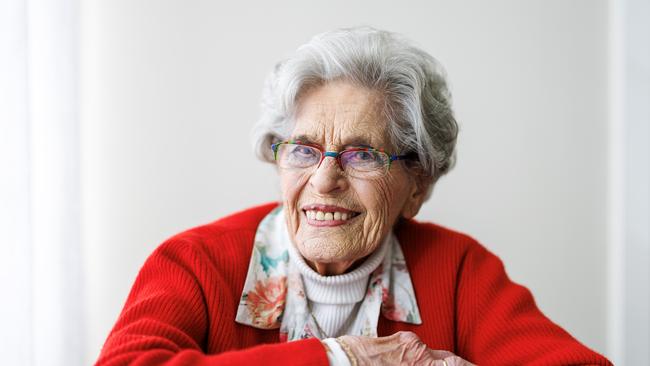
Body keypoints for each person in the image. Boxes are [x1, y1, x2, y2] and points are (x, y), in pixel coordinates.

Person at [96, 27, 611, 365]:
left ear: (418, 185)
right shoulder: (196, 264)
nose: (324, 179)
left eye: (362, 155)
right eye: (302, 150)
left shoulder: (457, 272)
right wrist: (341, 359)